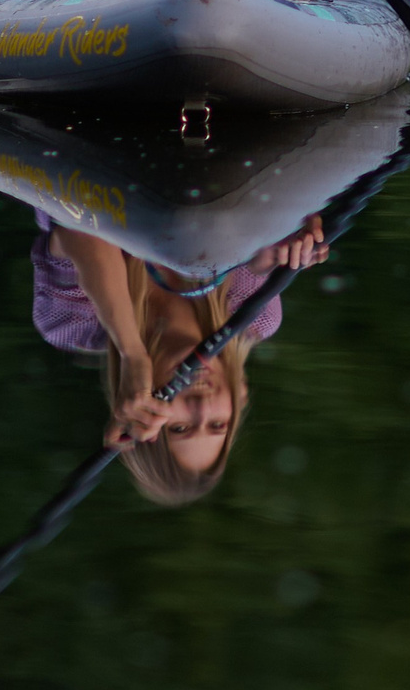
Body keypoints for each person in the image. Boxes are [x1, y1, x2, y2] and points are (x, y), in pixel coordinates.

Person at [32, 214, 331, 503]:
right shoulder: (252, 315)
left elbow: (81, 224)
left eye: (180, 428)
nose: (200, 407)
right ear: (239, 396)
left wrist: (132, 352)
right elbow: (264, 211)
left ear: (138, 414)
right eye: (217, 423)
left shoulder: (70, 324)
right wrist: (291, 230)